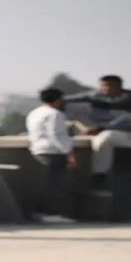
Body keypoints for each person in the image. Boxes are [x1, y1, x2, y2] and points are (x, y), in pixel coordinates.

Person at [65, 75, 131, 179]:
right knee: (102, 141)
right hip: (110, 132)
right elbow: (70, 99)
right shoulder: (95, 95)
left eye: (109, 86)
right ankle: (99, 175)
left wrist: (103, 127)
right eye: (103, 86)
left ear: (119, 86)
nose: (106, 89)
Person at [25, 88, 77, 222]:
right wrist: (68, 153)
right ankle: (51, 214)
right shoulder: (55, 114)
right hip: (53, 152)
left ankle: (40, 213)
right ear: (58, 99)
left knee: (45, 184)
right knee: (55, 185)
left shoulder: (34, 113)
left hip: (38, 149)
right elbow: (56, 135)